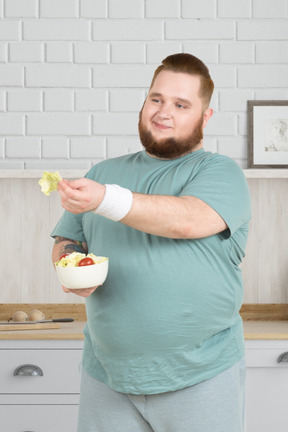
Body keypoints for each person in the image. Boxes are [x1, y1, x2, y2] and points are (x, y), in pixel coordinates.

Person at [51, 53, 251, 432]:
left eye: (181, 104)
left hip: (201, 377)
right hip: (106, 376)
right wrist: (70, 262)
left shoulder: (220, 173)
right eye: (156, 99)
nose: (164, 112)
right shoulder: (103, 173)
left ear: (204, 117)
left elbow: (190, 220)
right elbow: (68, 238)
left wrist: (105, 199)